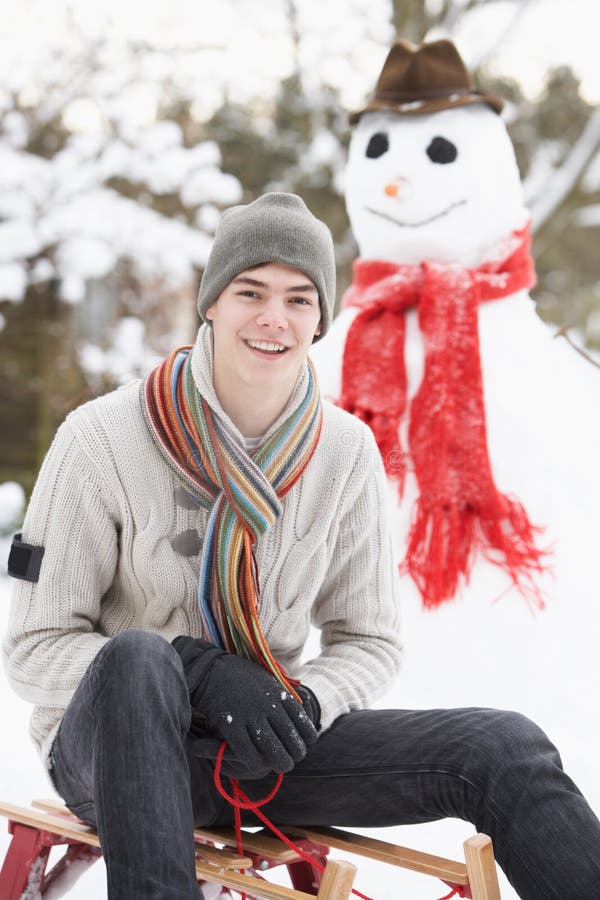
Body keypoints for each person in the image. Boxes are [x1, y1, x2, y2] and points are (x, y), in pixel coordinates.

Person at [3, 193, 600, 900]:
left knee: (504, 748)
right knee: (139, 658)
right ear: (213, 305)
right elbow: (33, 649)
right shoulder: (100, 439)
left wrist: (301, 704)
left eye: (298, 298)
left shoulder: (345, 452)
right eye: (249, 291)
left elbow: (369, 640)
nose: (273, 318)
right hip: (112, 752)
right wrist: (192, 673)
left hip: (257, 752)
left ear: (319, 320)